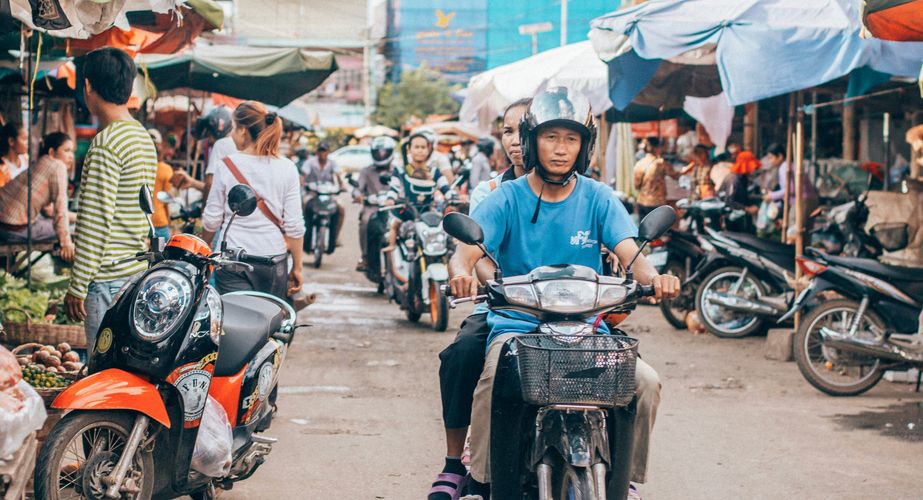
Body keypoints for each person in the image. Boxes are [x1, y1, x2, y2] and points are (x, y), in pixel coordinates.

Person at [448, 88, 679, 499]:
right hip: (518, 328)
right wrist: (461, 272)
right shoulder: (507, 197)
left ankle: (622, 476)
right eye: (551, 138)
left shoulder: (598, 197)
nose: (560, 149)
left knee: (645, 383)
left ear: (584, 145)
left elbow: (631, 252)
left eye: (571, 139)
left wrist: (654, 277)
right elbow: (465, 253)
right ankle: (481, 482)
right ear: (533, 140)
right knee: (490, 384)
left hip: (589, 332)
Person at [428, 97, 531, 500]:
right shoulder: (491, 191)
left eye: (523, 129)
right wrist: (495, 282)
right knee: (461, 356)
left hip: (567, 307)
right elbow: (477, 254)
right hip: (502, 304)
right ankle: (455, 463)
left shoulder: (584, 191)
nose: (515, 140)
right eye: (507, 131)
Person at [64, 47, 158, 350]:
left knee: (102, 378)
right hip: (133, 274)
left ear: (88, 86)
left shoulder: (106, 143)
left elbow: (95, 222)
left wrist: (77, 287)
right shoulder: (141, 136)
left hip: (105, 281)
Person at [201, 101, 305, 300]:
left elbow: (212, 219)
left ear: (242, 130)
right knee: (267, 324)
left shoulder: (226, 166)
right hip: (273, 260)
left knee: (234, 323)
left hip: (233, 261)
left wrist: (203, 254)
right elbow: (294, 226)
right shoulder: (287, 168)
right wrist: (298, 268)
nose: (231, 134)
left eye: (232, 128)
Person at [0, 132, 75, 261]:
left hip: (3, 224)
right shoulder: (58, 167)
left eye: (72, 151)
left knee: (66, 225)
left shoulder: (41, 163)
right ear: (52, 152)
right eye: (67, 150)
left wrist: (78, 217)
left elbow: (49, 211)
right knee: (75, 229)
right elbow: (60, 212)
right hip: (13, 229)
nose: (71, 156)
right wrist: (66, 244)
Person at [382, 132, 450, 249]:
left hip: (429, 212)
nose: (420, 150)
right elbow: (394, 187)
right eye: (416, 147)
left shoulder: (434, 171)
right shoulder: (401, 170)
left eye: (423, 147)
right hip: (407, 211)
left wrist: (453, 197)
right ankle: (392, 247)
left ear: (429, 150)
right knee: (395, 224)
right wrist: (390, 199)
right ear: (409, 149)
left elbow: (445, 188)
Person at [171, 106, 236, 200]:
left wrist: (204, 212)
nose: (208, 141)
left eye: (209, 135)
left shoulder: (220, 145)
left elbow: (210, 185)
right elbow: (218, 188)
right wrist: (193, 183)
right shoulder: (237, 147)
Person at [355, 136, 396, 273]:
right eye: (378, 152)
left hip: (393, 208)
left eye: (384, 152)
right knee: (365, 221)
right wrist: (358, 196)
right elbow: (358, 188)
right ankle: (365, 256)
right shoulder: (366, 171)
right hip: (372, 208)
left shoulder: (397, 170)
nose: (381, 155)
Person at [763, 142, 819, 240]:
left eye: (771, 157)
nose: (770, 161)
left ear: (779, 156)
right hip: (809, 200)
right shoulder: (789, 165)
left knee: (794, 234)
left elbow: (791, 189)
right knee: (804, 233)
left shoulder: (785, 167)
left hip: (802, 201)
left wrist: (772, 195)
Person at [302, 141, 346, 247]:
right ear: (317, 152)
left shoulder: (332, 163)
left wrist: (341, 186)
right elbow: (303, 176)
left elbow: (339, 176)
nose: (322, 153)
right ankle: (302, 234)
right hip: (312, 193)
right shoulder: (310, 162)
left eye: (324, 151)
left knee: (341, 208)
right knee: (304, 204)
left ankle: (335, 237)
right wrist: (304, 184)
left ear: (328, 152)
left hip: (328, 194)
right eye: (320, 151)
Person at [633, 136, 680, 219]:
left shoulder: (639, 164)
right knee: (658, 230)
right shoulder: (661, 163)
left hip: (642, 201)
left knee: (644, 230)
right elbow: (675, 175)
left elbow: (636, 185)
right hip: (657, 203)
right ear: (657, 148)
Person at [149, 129, 175, 242]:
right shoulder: (166, 169)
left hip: (142, 223)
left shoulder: (142, 168)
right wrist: (169, 221)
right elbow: (167, 200)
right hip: (160, 221)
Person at [0, 123, 28, 187]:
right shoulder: (2, 169)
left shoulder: (25, 158)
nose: (27, 143)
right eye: (24, 139)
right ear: (11, 141)